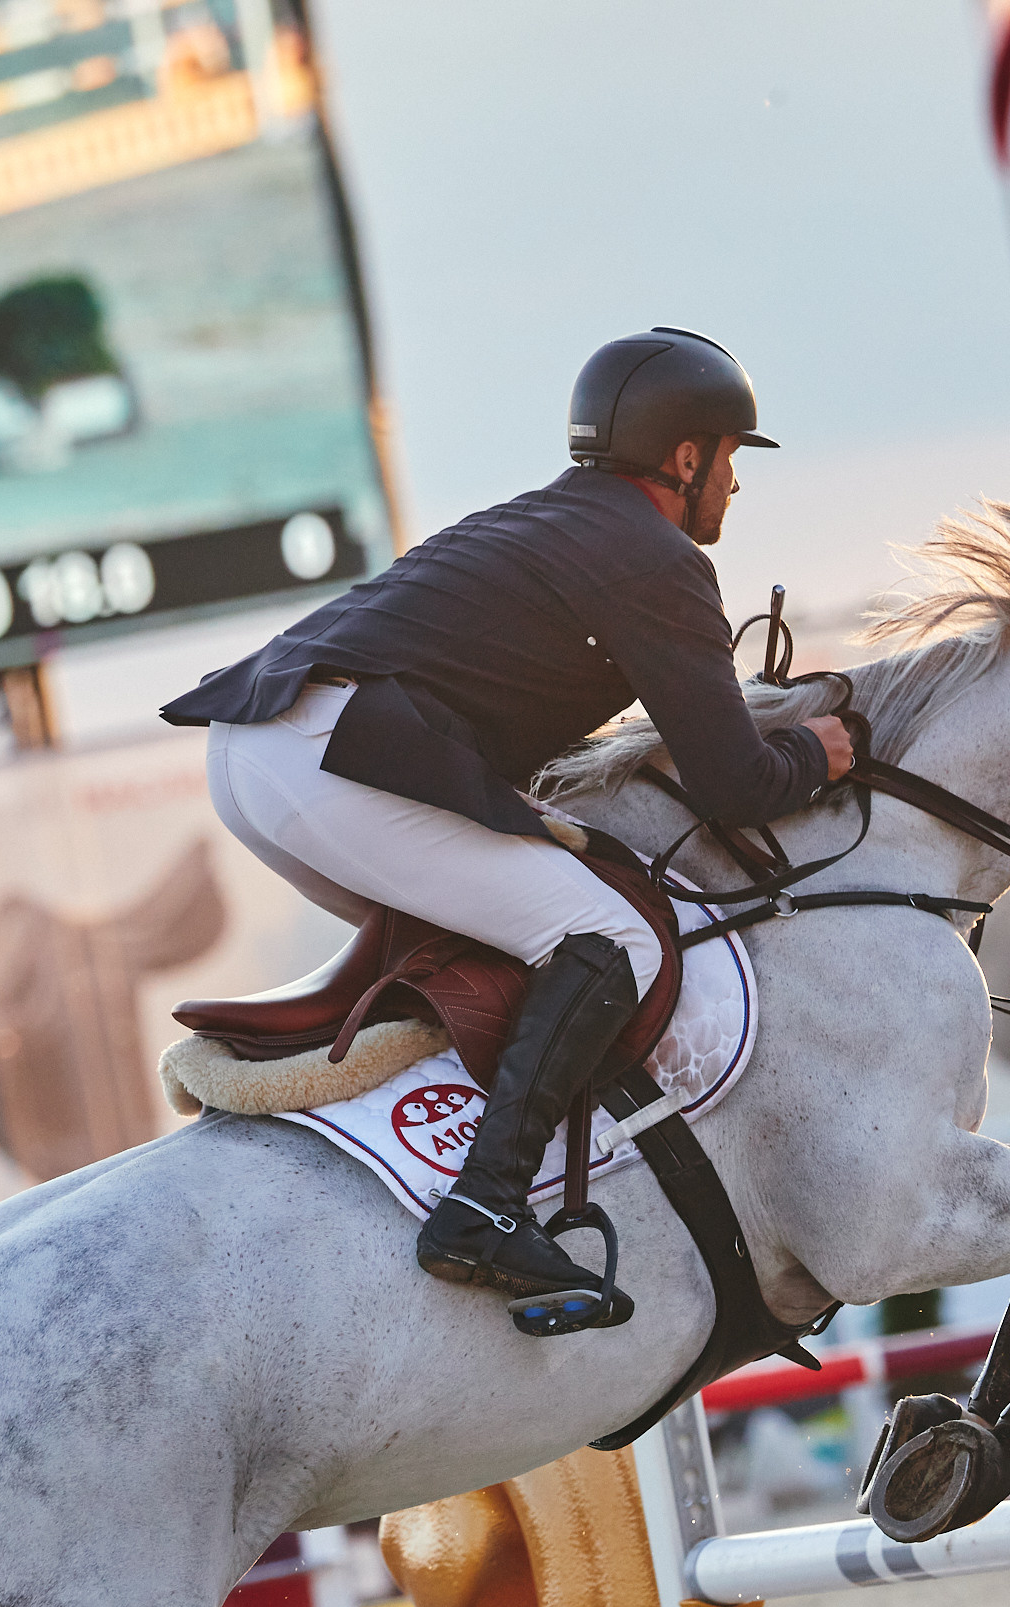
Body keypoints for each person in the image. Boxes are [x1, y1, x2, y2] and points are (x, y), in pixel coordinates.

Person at [161, 327, 856, 1323]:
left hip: (257, 754)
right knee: (610, 937)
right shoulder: (655, 560)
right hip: (333, 761)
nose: (735, 486)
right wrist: (819, 754)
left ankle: (433, 1160)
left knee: (511, 941)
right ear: (686, 455)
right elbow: (736, 783)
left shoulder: (551, 521)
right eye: (732, 456)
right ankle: (482, 1207)